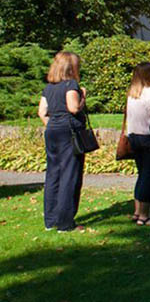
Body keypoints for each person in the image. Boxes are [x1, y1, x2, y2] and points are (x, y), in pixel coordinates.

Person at [37, 51, 86, 232]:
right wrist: (83, 98)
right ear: (72, 67)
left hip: (52, 132)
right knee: (69, 175)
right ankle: (65, 222)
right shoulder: (71, 85)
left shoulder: (48, 87)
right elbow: (73, 108)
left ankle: (50, 220)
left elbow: (42, 112)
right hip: (68, 132)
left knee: (53, 174)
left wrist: (53, 125)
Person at [125, 62, 150, 226]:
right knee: (148, 176)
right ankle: (144, 214)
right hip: (148, 137)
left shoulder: (132, 94)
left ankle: (137, 210)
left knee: (141, 173)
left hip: (133, 137)